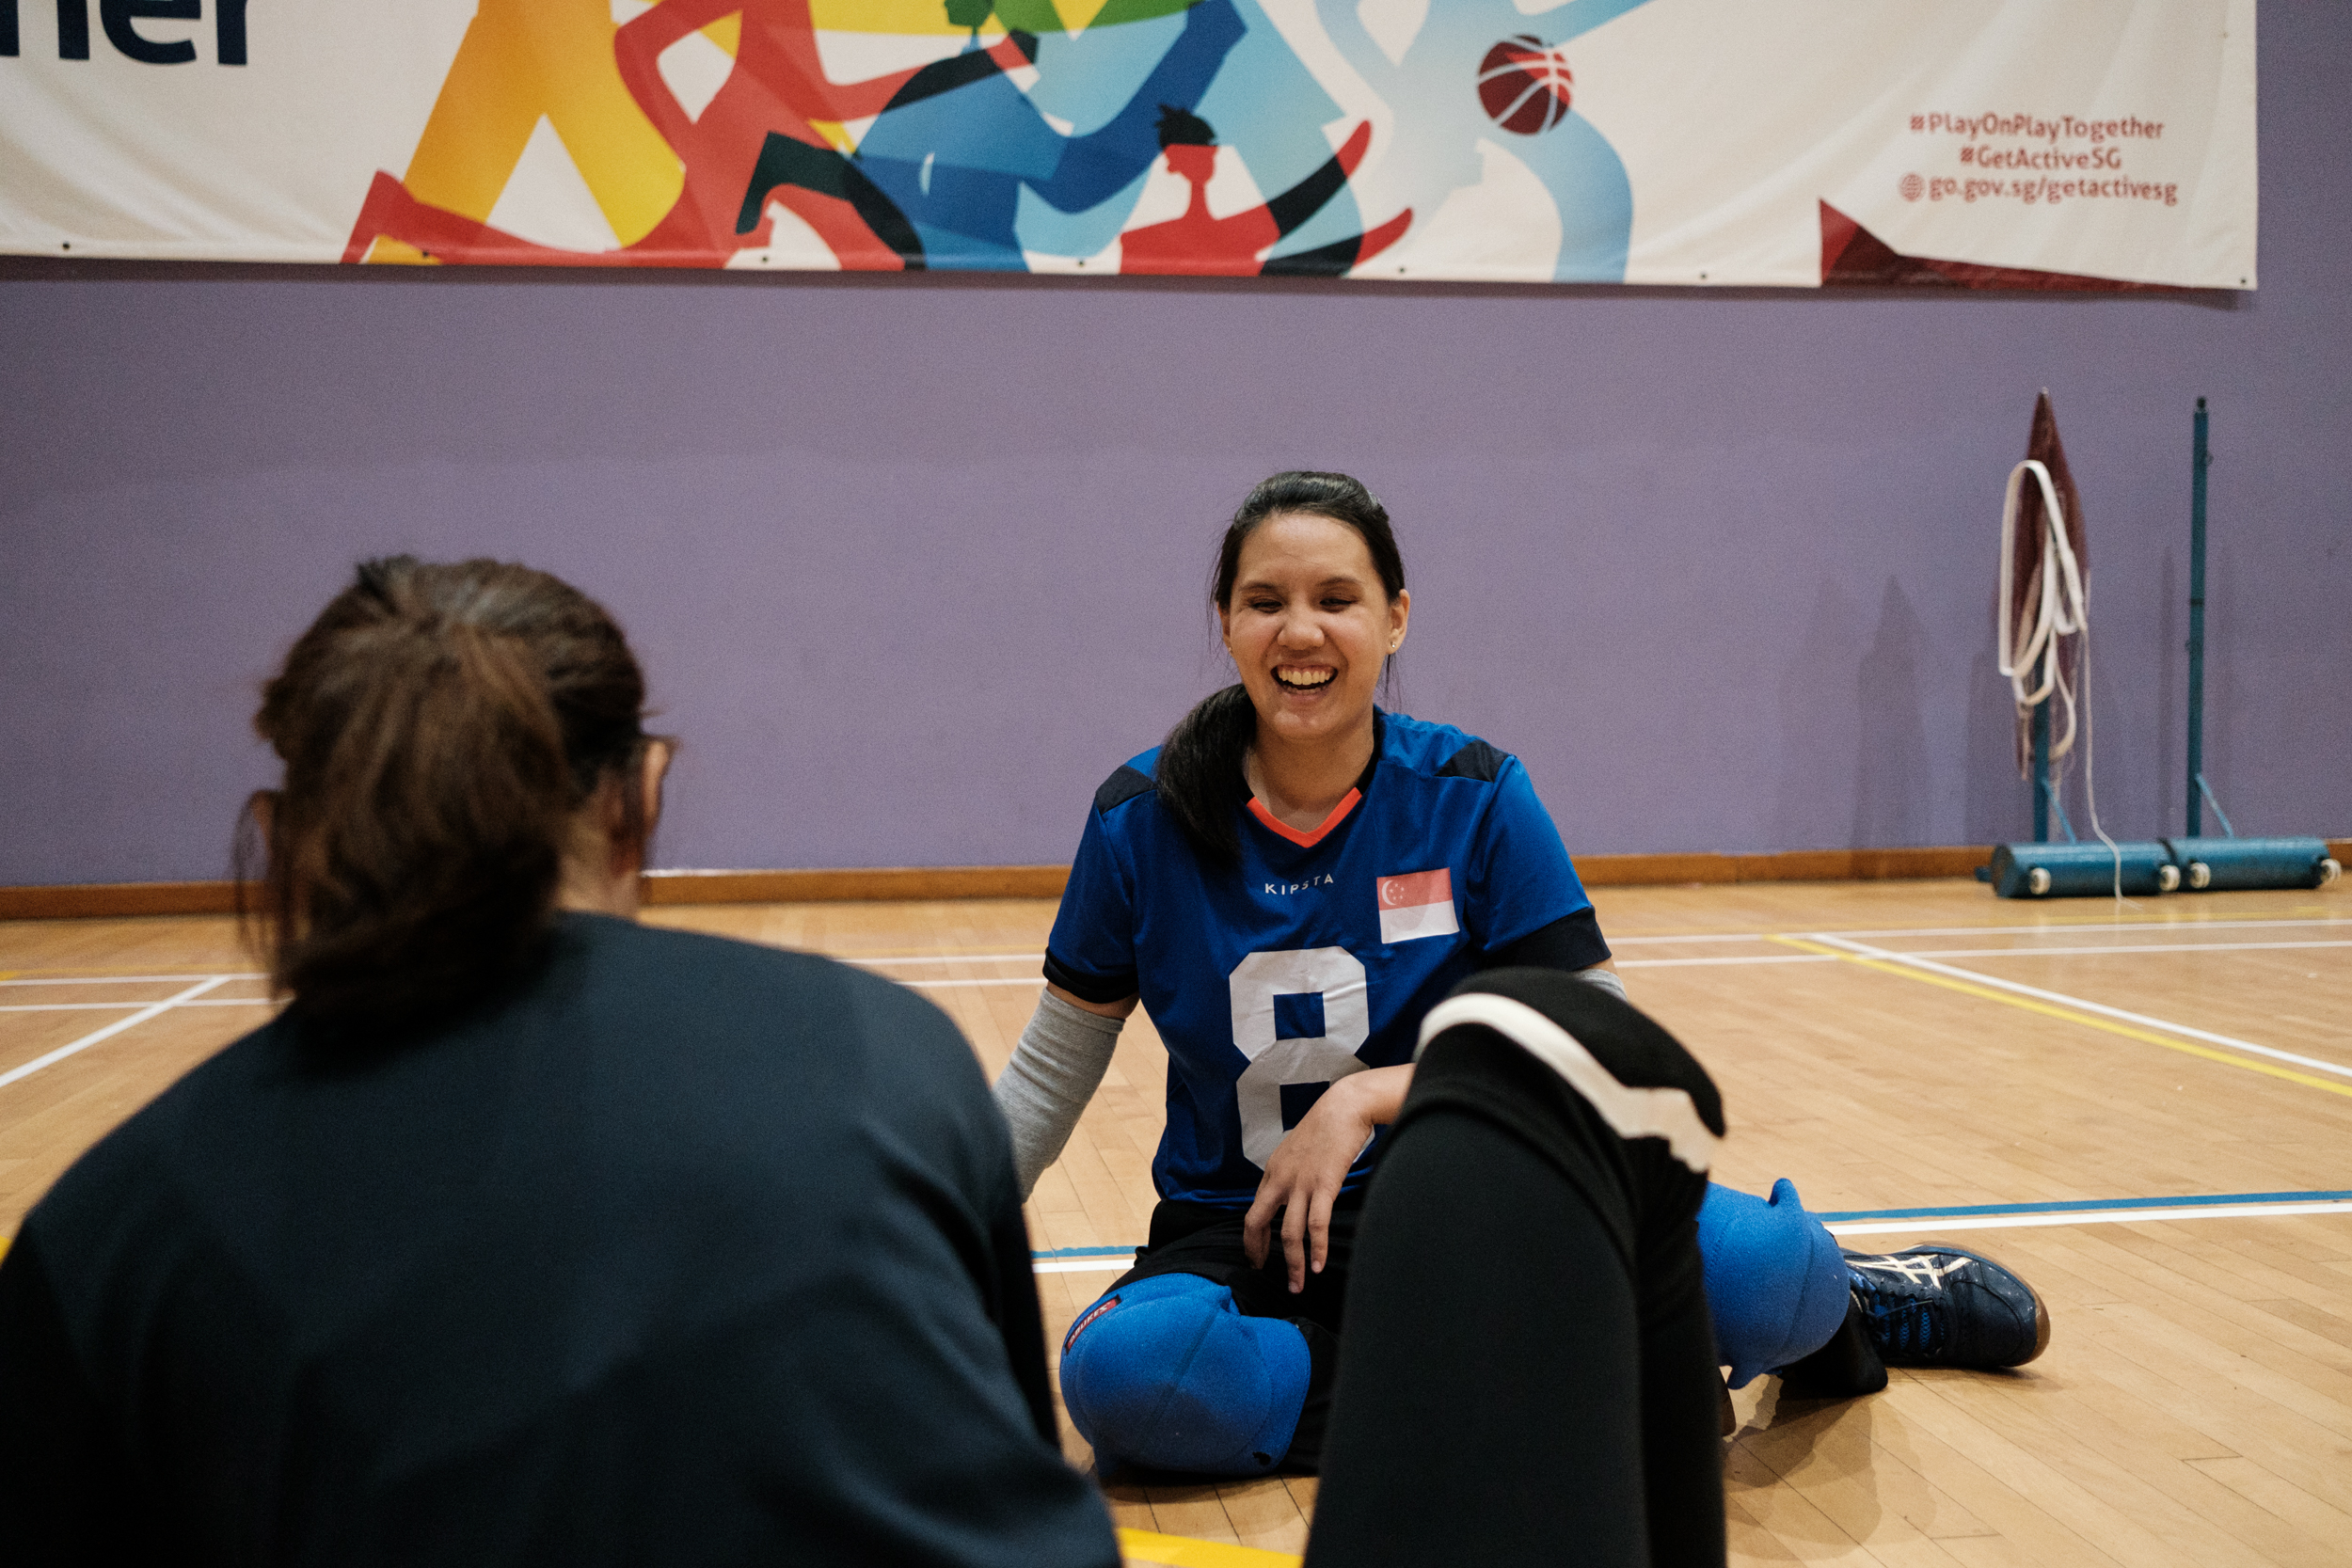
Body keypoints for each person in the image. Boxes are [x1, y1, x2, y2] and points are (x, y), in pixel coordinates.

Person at [0, 558, 1119, 1568]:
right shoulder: (883, 1049)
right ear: (639, 793)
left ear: (291, 831)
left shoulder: (106, 1233)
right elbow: (1009, 1455)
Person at [994, 471, 2049, 1481]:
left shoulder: (1475, 795)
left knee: (1764, 1274)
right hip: (1244, 1233)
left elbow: (1603, 1035)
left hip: (1477, 1196)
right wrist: (907, 1241)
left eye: (1337, 599)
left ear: (1395, 618)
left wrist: (1373, 1093)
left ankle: (1857, 1304)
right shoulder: (1139, 819)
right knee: (1133, 1382)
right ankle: (1525, 1381)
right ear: (1225, 621)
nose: (1301, 630)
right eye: (1264, 600)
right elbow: (1047, 1077)